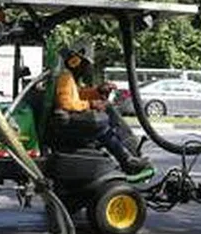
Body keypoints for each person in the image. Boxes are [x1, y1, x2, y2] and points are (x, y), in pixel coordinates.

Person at [54, 42, 151, 174]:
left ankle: (131, 151)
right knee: (102, 122)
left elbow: (78, 93)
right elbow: (67, 103)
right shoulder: (65, 77)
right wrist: (91, 104)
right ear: (75, 62)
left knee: (108, 110)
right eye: (85, 64)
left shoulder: (68, 77)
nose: (87, 68)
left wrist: (98, 91)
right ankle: (128, 158)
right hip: (66, 123)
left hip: (68, 120)